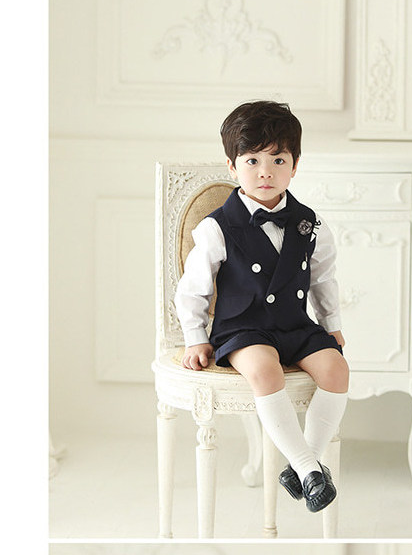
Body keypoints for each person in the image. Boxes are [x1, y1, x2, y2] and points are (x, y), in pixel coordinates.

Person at [175, 100, 348, 513]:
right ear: (232, 167)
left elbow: (323, 279)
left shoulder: (310, 223)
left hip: (294, 324)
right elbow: (193, 289)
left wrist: (332, 324)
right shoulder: (217, 227)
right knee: (265, 371)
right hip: (243, 328)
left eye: (278, 160)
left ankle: (304, 464)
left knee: (336, 369)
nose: (265, 172)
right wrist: (195, 337)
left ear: (295, 165)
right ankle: (308, 469)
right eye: (252, 160)